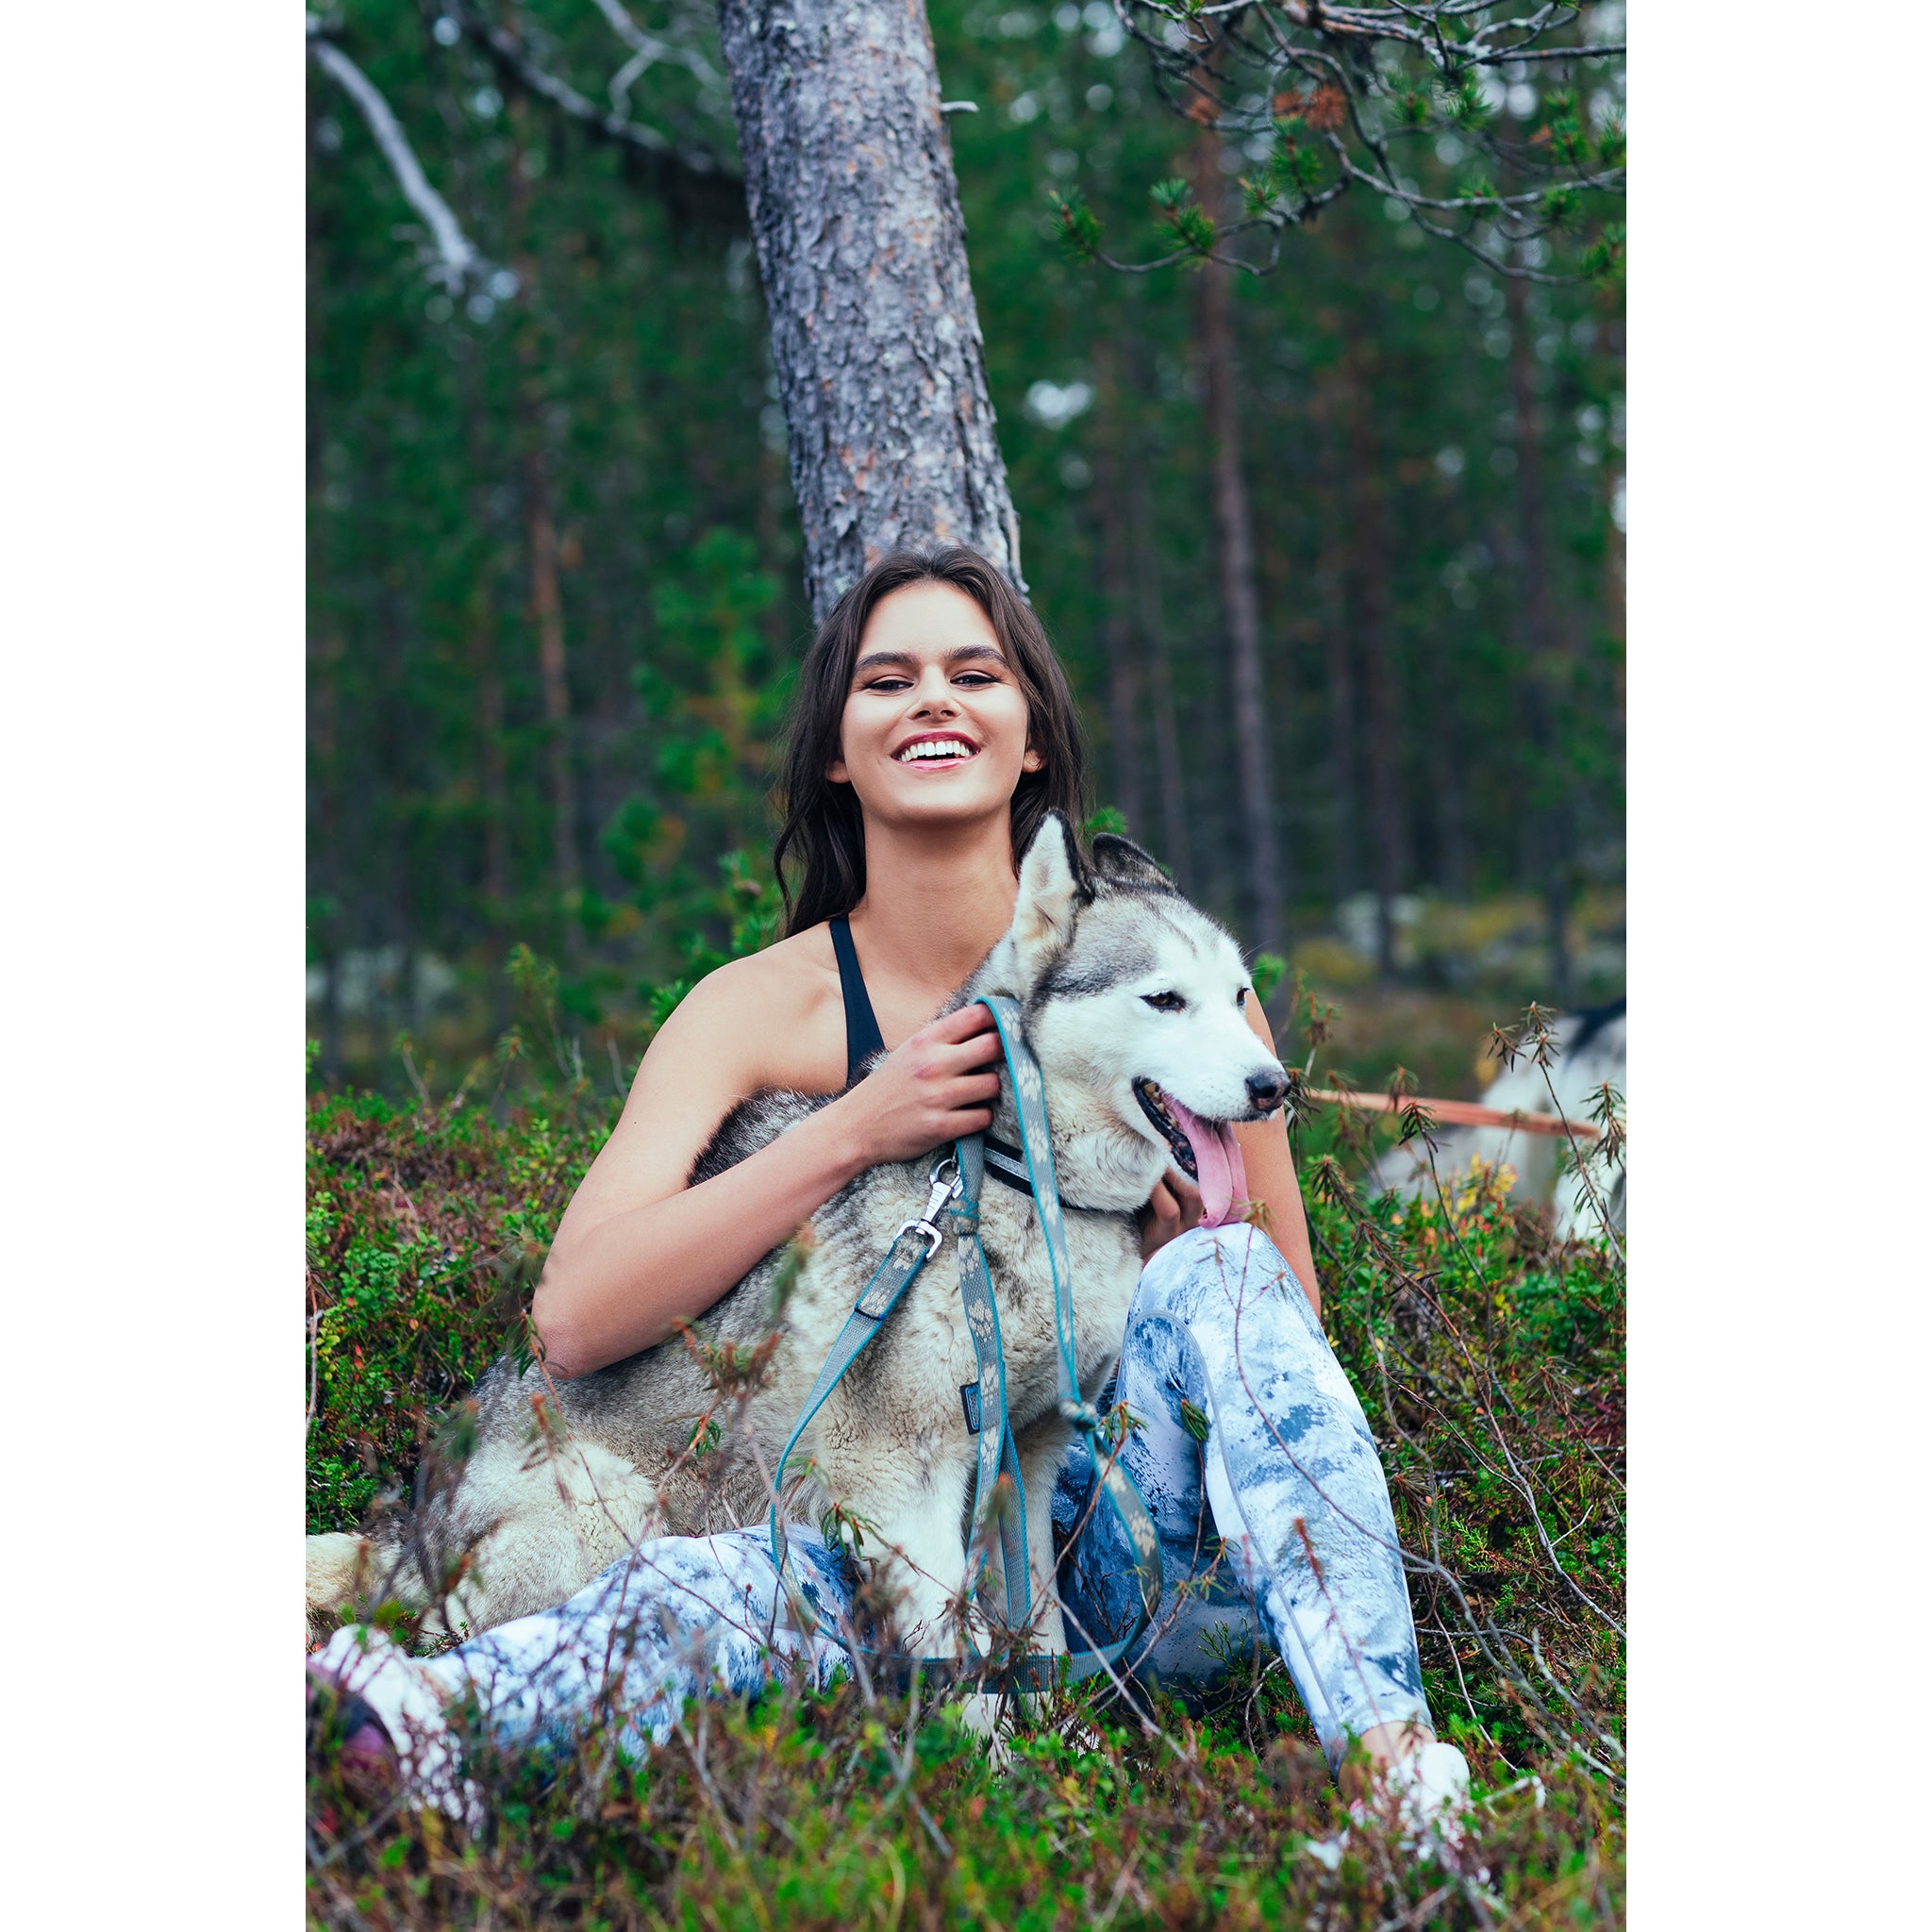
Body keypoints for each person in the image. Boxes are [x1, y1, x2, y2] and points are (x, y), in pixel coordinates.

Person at [308, 546, 1473, 1853]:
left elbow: (1279, 1356)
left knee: (1223, 1280)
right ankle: (420, 1725)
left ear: (1032, 739)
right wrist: (859, 1127)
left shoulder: (1175, 997)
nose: (935, 698)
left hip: (1135, 1575)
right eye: (887, 679)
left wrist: (1178, 1231)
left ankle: (1396, 1783)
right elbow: (575, 1320)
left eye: (975, 673)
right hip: (877, 1592)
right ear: (834, 754)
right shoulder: (761, 1012)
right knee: (759, 1572)